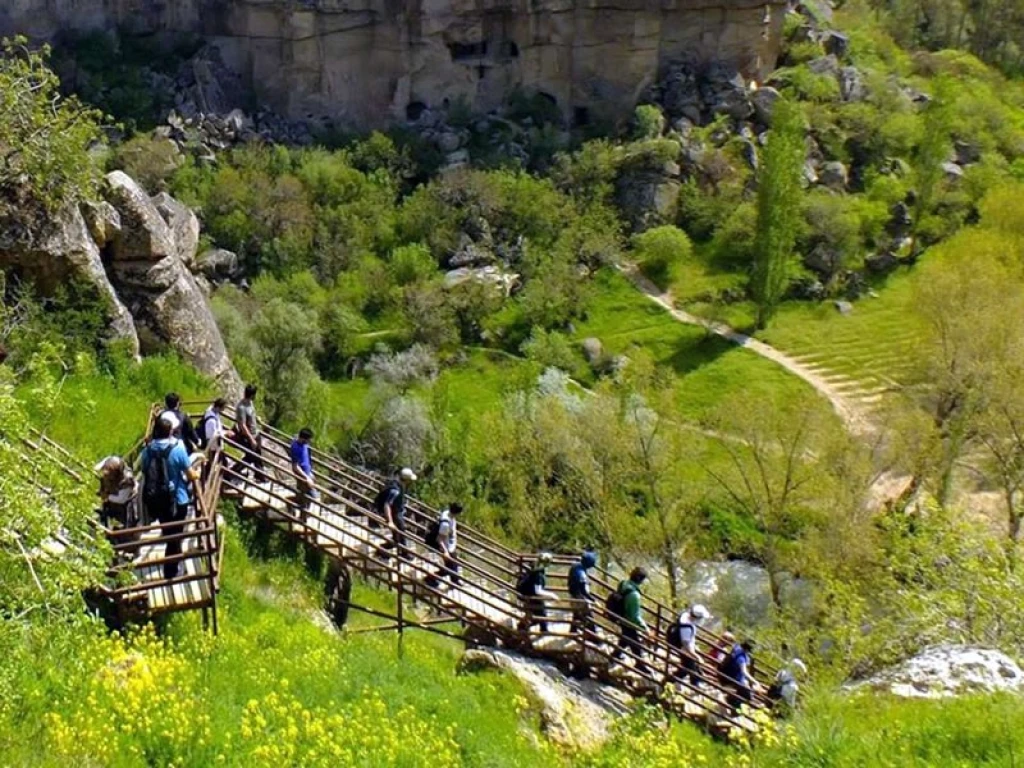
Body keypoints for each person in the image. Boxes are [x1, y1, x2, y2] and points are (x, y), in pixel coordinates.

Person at [141, 413, 197, 580]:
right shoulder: (178, 449)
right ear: (171, 431)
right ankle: (170, 573)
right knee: (175, 536)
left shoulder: (147, 450)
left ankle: (175, 564)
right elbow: (190, 473)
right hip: (177, 499)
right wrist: (197, 475)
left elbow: (144, 470)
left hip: (156, 499)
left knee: (169, 532)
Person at [609, 566, 650, 674]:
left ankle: (616, 655)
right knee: (635, 643)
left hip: (620, 616)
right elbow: (634, 616)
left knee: (626, 639)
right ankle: (640, 664)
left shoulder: (623, 583)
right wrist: (645, 628)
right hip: (627, 620)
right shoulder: (634, 595)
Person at [374, 467, 416, 561]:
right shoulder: (395, 490)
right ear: (407, 480)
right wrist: (390, 522)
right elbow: (387, 505)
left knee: (397, 537)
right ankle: (404, 553)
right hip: (395, 514)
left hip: (398, 512)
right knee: (401, 532)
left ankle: (382, 551)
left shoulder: (398, 484)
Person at [667, 603, 711, 687]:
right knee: (687, 668)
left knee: (689, 666)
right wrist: (696, 656)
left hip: (683, 646)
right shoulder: (686, 627)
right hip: (684, 649)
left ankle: (696, 681)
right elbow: (686, 644)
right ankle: (669, 681)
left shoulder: (686, 616)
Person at [425, 502, 463, 588]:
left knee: (453, 565)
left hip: (450, 546)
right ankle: (430, 578)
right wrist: (445, 552)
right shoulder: (445, 523)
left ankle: (454, 581)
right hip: (445, 547)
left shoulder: (447, 513)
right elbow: (440, 539)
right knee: (449, 568)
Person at [517, 552, 557, 634]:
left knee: (540, 612)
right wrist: (552, 595)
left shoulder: (536, 568)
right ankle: (541, 630)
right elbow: (538, 591)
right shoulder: (538, 574)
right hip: (529, 595)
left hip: (527, 593)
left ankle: (541, 629)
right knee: (541, 612)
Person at [94, 456, 138, 530]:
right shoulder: (109, 463)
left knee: (128, 527)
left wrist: (107, 496)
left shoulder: (126, 480)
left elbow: (122, 499)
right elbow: (98, 468)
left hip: (126, 507)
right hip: (112, 504)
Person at [231, 384, 263, 480]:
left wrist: (257, 418)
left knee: (258, 455)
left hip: (255, 433)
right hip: (248, 436)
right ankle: (231, 472)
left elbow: (252, 414)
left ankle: (260, 475)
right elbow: (242, 425)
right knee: (250, 456)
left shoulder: (250, 403)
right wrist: (251, 439)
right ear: (252, 395)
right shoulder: (241, 407)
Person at [719, 639, 757, 710]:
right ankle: (732, 705)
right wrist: (755, 682)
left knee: (747, 691)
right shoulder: (741, 657)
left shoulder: (737, 649)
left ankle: (733, 705)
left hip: (728, 676)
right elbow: (744, 672)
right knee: (747, 695)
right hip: (732, 679)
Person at [290, 427, 319, 515]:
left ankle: (302, 515)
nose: (309, 442)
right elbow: (295, 467)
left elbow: (307, 459)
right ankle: (292, 506)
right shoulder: (295, 447)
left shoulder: (304, 445)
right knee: (310, 496)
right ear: (303, 439)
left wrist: (310, 473)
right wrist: (307, 478)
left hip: (307, 473)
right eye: (308, 440)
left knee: (305, 496)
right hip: (301, 475)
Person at [568, 550, 598, 637]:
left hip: (573, 595)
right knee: (588, 618)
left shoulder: (575, 566)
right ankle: (593, 637)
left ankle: (573, 631)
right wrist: (593, 600)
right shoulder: (581, 574)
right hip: (579, 598)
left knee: (577, 614)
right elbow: (583, 591)